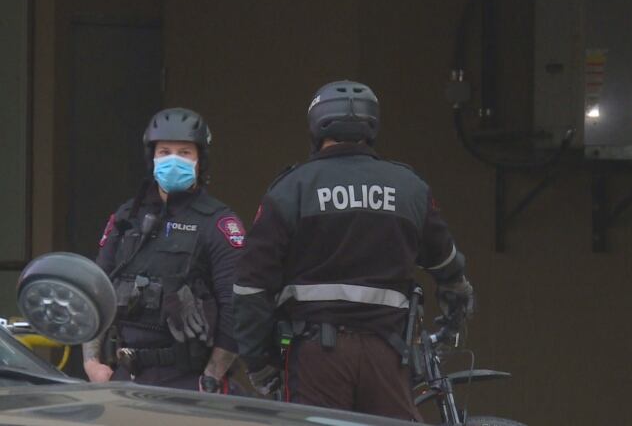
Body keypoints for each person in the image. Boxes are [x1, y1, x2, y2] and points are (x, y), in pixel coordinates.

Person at [233, 80, 475, 420]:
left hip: (317, 360)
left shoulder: (291, 190)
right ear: (371, 126)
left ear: (316, 126)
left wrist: (260, 364)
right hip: (388, 356)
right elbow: (446, 263)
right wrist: (456, 296)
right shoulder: (409, 188)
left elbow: (250, 287)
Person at [82, 108, 245, 393]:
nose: (173, 160)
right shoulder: (126, 218)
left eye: (184, 152)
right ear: (152, 158)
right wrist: (92, 363)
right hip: (125, 377)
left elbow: (238, 308)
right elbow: (95, 288)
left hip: (188, 381)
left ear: (199, 161)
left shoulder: (218, 223)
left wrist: (210, 377)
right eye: (164, 151)